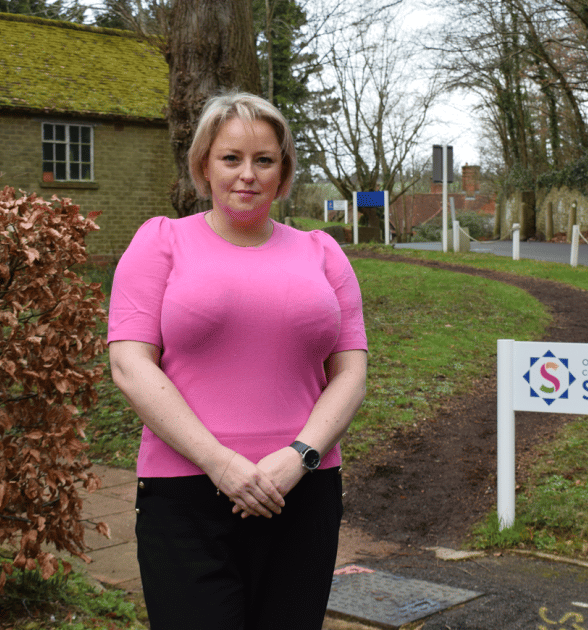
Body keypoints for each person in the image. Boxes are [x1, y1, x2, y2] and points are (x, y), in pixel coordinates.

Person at [107, 91, 368, 630]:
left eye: (264, 160)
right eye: (231, 158)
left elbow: (351, 373)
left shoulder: (322, 252)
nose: (246, 175)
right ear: (204, 164)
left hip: (303, 491)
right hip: (186, 495)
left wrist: (299, 457)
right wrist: (220, 463)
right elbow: (130, 365)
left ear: (283, 171)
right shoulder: (161, 243)